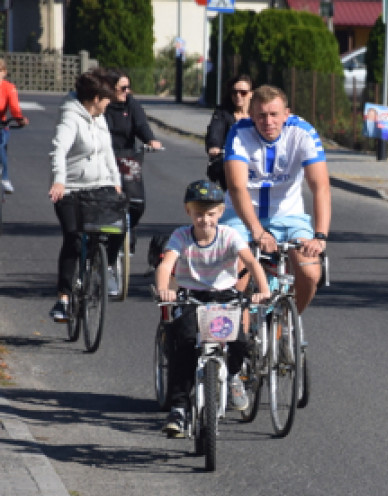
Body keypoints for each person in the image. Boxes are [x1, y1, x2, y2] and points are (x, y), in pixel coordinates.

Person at [154, 180, 270, 437]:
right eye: (198, 213)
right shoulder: (181, 236)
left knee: (239, 342)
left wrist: (263, 291)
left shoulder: (229, 235)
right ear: (188, 212)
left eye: (210, 214)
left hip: (224, 297)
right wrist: (166, 290)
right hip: (190, 297)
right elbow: (165, 266)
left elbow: (251, 262)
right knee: (183, 345)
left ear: (220, 212)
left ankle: (233, 377)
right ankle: (179, 409)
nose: (204, 220)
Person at [221, 84, 329, 314]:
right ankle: (242, 338)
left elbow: (320, 186)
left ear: (286, 114)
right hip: (241, 215)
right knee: (239, 274)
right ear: (252, 115)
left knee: (311, 273)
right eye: (261, 115)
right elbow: (236, 186)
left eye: (274, 115)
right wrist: (257, 231)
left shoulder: (303, 132)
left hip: (288, 216)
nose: (268, 122)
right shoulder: (239, 132)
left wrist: (320, 236)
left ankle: (287, 324)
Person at [48, 69, 121, 323]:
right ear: (95, 98)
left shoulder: (99, 117)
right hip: (70, 189)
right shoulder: (70, 118)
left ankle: (102, 268)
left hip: (99, 186)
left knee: (117, 227)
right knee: (74, 238)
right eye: (106, 98)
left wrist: (116, 182)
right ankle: (64, 299)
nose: (109, 103)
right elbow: (58, 150)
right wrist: (59, 180)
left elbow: (108, 152)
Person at [102, 69, 163, 288]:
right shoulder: (103, 105)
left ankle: (130, 229)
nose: (127, 92)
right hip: (103, 160)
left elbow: (141, 125)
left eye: (128, 88)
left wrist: (151, 140)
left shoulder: (131, 105)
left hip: (128, 159)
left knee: (137, 203)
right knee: (106, 202)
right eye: (122, 88)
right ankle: (104, 251)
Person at [204, 73, 253, 189]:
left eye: (243, 92)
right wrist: (214, 146)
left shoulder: (257, 115)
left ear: (251, 94)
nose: (238, 95)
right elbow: (216, 130)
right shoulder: (223, 113)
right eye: (234, 92)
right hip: (231, 164)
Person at [0, 58, 29, 193]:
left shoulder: (9, 88)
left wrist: (19, 119)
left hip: (1, 124)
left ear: (4, 72)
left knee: (1, 144)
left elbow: (14, 107)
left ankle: (5, 178)